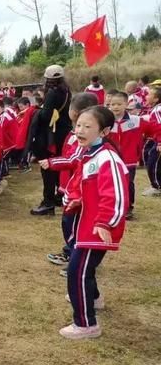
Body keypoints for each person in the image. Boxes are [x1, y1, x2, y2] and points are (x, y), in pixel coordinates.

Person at [59, 106, 128, 340]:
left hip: (96, 229)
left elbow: (116, 196)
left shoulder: (107, 158)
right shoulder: (90, 154)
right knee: (83, 269)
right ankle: (95, 299)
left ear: (104, 131)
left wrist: (104, 223)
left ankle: (86, 324)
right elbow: (90, 189)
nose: (80, 130)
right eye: (79, 125)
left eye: (88, 127)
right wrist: (78, 200)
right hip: (86, 225)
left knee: (77, 272)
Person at [40, 92, 98, 271]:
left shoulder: (81, 138)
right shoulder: (76, 134)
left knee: (72, 224)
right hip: (70, 186)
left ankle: (77, 261)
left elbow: (72, 159)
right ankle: (69, 252)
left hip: (77, 189)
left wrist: (50, 162)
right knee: (69, 224)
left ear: (74, 112)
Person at [30, 64, 72, 216]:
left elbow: (46, 115)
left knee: (47, 167)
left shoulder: (52, 93)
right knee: (59, 165)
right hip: (63, 132)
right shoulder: (66, 90)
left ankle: (48, 203)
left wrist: (36, 112)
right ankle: (59, 196)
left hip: (51, 135)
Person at [107, 91, 150, 219]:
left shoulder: (136, 121)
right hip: (111, 159)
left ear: (126, 104)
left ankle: (128, 208)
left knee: (127, 183)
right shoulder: (106, 122)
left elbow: (153, 129)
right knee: (111, 183)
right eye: (112, 104)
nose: (115, 107)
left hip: (129, 160)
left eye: (119, 104)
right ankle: (113, 207)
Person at [141, 86, 161, 196]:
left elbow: (159, 126)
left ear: (156, 99)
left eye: (149, 94)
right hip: (155, 140)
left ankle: (157, 187)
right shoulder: (156, 109)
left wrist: (160, 142)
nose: (146, 96)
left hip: (159, 142)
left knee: (153, 163)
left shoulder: (157, 110)